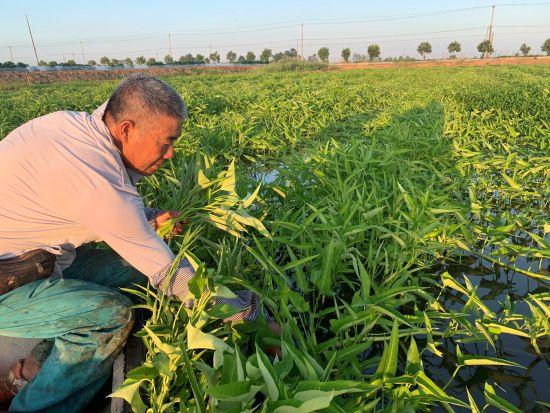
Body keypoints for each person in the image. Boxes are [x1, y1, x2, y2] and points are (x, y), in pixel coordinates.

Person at [0, 75, 259, 412]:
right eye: (165, 142)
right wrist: (250, 319)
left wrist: (146, 219)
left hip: (31, 256)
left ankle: (32, 371)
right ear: (125, 129)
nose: (170, 154)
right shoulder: (96, 183)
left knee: (135, 272)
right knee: (109, 316)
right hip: (8, 280)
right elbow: (171, 275)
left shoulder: (71, 126)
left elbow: (80, 207)